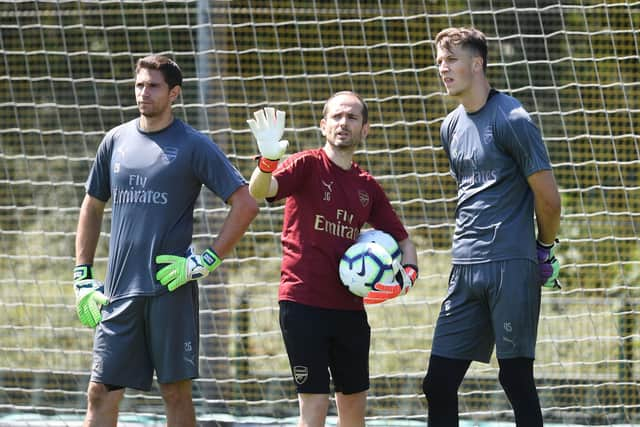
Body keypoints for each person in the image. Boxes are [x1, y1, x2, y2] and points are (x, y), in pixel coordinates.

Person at [73, 54, 259, 427]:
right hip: (118, 291)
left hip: (169, 290)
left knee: (174, 393)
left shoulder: (193, 144)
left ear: (174, 93)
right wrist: (82, 276)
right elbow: (91, 206)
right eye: (140, 84)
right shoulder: (115, 140)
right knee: (100, 391)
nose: (144, 93)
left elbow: (245, 204)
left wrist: (206, 260)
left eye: (154, 86)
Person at [247, 92, 419, 427]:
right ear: (323, 125)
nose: (344, 123)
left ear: (365, 130)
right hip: (303, 304)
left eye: (352, 117)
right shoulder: (308, 164)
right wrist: (267, 161)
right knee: (313, 410)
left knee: (354, 413)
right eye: (337, 117)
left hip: (350, 311)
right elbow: (260, 190)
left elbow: (403, 240)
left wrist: (408, 276)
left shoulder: (367, 187)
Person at [422, 27, 562, 426]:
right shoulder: (450, 126)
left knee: (515, 377)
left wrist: (543, 249)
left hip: (510, 265)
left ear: (477, 63)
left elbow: (549, 199)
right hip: (464, 267)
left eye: (451, 60)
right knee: (439, 383)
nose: (442, 68)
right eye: (439, 61)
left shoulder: (513, 118)